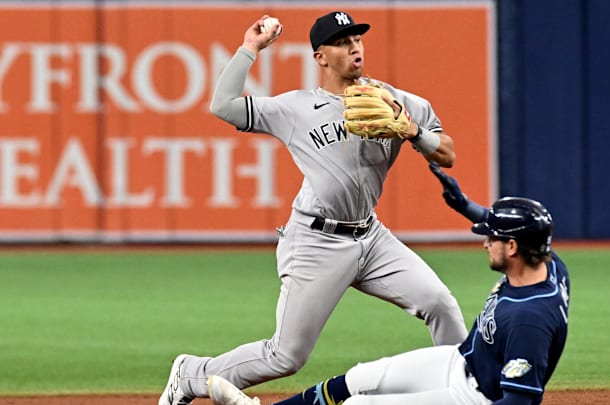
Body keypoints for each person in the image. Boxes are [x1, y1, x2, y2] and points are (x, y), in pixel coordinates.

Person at [158, 11, 469, 405]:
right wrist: (250, 48)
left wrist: (412, 131)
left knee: (439, 303)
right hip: (315, 241)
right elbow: (224, 105)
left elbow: (448, 153)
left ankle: (465, 388)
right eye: (341, 41)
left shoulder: (395, 100)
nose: (353, 46)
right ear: (320, 57)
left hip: (371, 238)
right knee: (286, 356)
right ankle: (190, 374)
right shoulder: (297, 109)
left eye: (356, 38)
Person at [206, 164, 571, 405]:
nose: (484, 241)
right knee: (360, 378)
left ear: (512, 248)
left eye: (492, 237)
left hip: (475, 396)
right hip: (459, 361)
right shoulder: (549, 266)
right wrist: (467, 207)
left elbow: (520, 401)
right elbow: (524, 232)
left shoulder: (529, 318)